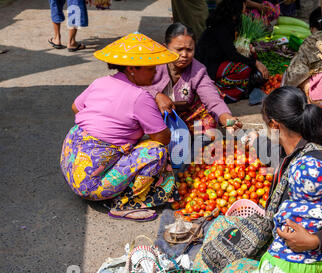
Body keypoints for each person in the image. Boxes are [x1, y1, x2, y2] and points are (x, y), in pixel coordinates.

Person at [194, 86, 322, 273]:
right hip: (289, 254)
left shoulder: (320, 167)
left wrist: (314, 241)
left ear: (274, 125)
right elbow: (267, 150)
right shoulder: (291, 148)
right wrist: (243, 135)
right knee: (218, 225)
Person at [60, 33, 180, 222]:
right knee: (156, 152)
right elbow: (162, 138)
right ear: (132, 68)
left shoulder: (100, 82)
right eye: (150, 69)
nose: (155, 74)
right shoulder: (140, 97)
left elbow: (76, 107)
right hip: (90, 186)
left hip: (71, 167)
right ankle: (125, 204)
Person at [143, 23, 242, 137]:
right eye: (179, 49)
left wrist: (226, 118)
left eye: (189, 50)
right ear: (165, 48)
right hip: (153, 114)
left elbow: (212, 98)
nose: (184, 55)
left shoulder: (198, 70)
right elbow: (132, 86)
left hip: (184, 114)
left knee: (213, 96)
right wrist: (156, 95)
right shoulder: (151, 65)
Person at [196, 0, 269, 102]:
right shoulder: (222, 27)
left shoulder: (229, 22)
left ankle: (229, 87)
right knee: (244, 69)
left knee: (251, 64)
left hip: (217, 60)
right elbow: (232, 54)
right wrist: (255, 62)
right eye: (244, 4)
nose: (245, 8)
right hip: (209, 65)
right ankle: (222, 93)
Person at [282, 7, 322, 111]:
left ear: (312, 28)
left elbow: (297, 73)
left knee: (299, 79)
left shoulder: (310, 42)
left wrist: (286, 85)